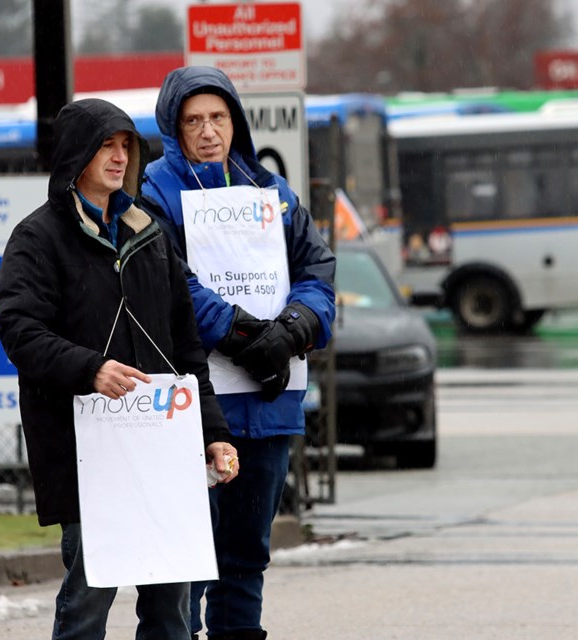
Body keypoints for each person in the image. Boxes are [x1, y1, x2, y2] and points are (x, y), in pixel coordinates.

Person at [0, 97, 240, 640]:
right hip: (87, 456)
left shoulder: (150, 232)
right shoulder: (37, 238)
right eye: (105, 144)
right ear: (75, 154)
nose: (117, 155)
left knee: (172, 610)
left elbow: (188, 348)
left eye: (125, 145)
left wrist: (214, 433)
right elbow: (20, 331)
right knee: (87, 603)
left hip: (163, 453)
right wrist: (92, 370)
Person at [139, 66, 337, 640]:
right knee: (189, 563)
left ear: (235, 122)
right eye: (193, 120)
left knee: (247, 558)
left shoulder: (273, 195)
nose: (207, 131)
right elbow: (171, 284)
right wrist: (249, 335)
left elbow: (318, 274)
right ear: (174, 128)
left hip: (270, 408)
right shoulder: (152, 197)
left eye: (218, 117)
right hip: (197, 411)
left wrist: (292, 329)